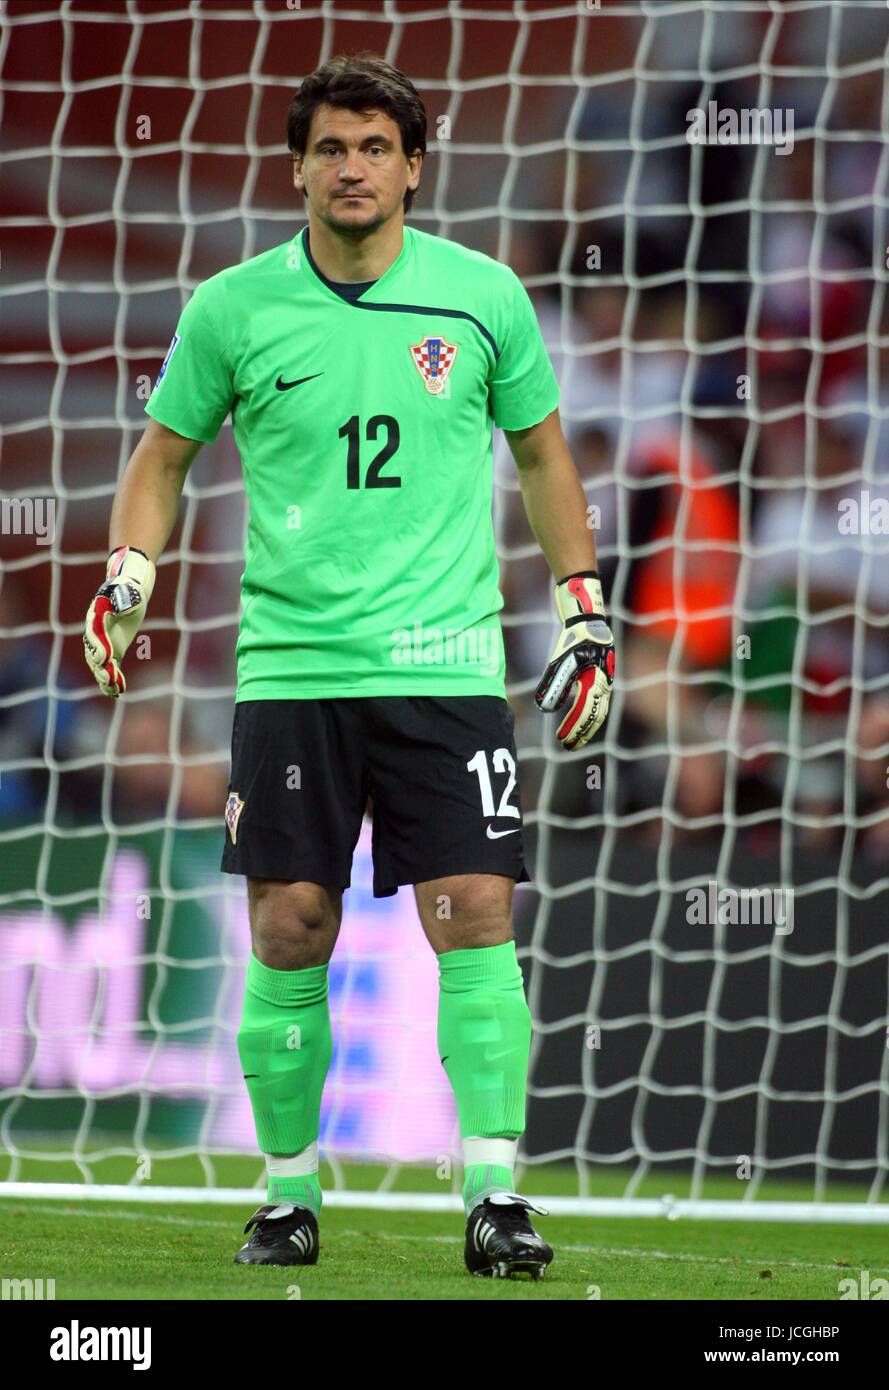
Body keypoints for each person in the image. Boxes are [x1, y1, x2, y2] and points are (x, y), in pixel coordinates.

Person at [82, 53, 615, 1280]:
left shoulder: (484, 299)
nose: (353, 167)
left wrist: (582, 612)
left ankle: (494, 1193)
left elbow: (542, 457)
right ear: (296, 167)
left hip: (446, 662)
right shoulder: (233, 308)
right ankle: (285, 1197)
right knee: (290, 926)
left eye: (376, 146)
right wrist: (126, 576)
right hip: (292, 669)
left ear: (415, 167)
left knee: (476, 910)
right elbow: (162, 457)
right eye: (331, 147)